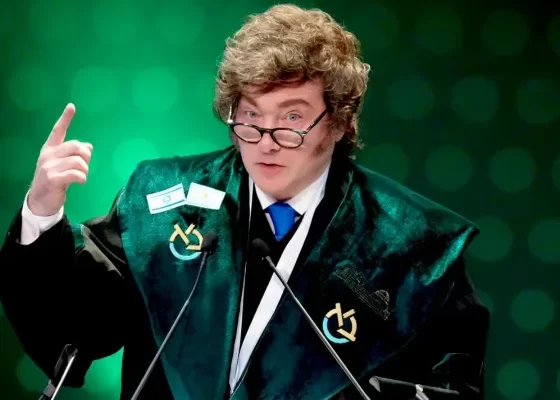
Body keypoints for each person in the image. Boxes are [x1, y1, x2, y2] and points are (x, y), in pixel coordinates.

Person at [0, 4, 489, 400]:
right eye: (251, 115)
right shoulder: (161, 203)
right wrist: (42, 209)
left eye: (292, 118)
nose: (266, 141)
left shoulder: (414, 248)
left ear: (340, 122)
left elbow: (449, 385)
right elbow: (74, 327)